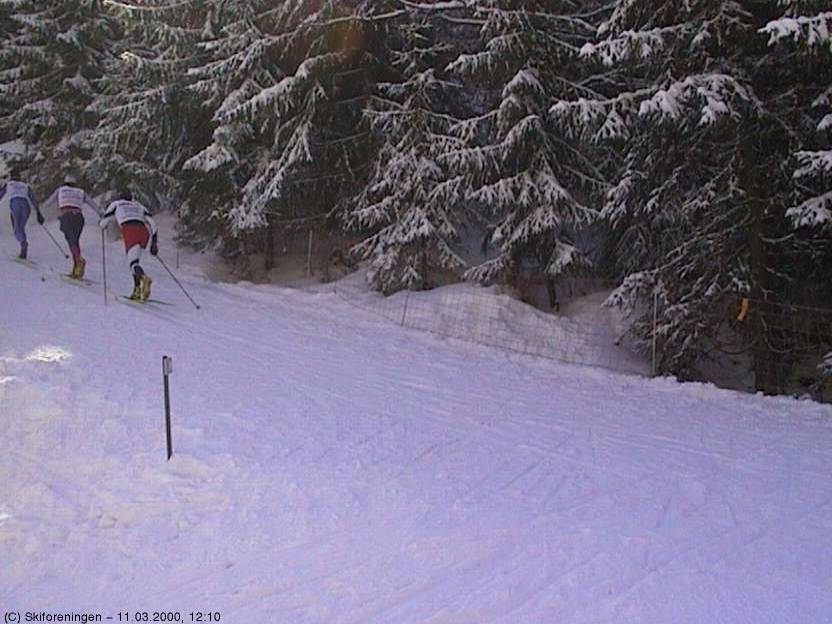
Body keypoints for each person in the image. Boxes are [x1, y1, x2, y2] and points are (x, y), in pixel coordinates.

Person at [99, 188, 159, 301]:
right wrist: (154, 242)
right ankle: (136, 290)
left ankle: (143, 278)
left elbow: (104, 222)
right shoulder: (139, 206)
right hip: (144, 232)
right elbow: (152, 222)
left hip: (130, 230)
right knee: (135, 262)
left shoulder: (116, 204)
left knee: (133, 263)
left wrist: (102, 224)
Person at [42, 174, 100, 278]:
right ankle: (76, 268)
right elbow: (93, 204)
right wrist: (101, 214)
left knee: (71, 240)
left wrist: (40, 210)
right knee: (75, 241)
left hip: (67, 215)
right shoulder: (81, 192)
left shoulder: (60, 190)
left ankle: (79, 261)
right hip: (79, 217)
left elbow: (49, 202)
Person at [0, 167, 44, 259]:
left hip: (15, 205)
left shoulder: (8, 184)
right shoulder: (25, 185)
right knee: (20, 227)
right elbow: (33, 199)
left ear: (12, 177)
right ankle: (23, 246)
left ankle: (24, 245)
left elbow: (1, 194)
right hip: (26, 206)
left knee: (17, 229)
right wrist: (38, 212)